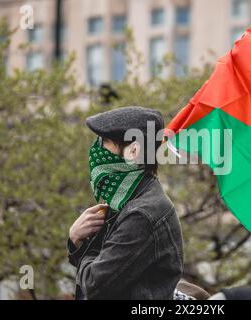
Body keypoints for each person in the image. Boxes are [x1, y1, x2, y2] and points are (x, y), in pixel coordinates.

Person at [67, 106, 184, 299]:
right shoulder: (128, 199)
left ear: (134, 150)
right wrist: (77, 242)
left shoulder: (142, 214)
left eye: (104, 142)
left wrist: (80, 245)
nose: (97, 150)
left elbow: (95, 285)